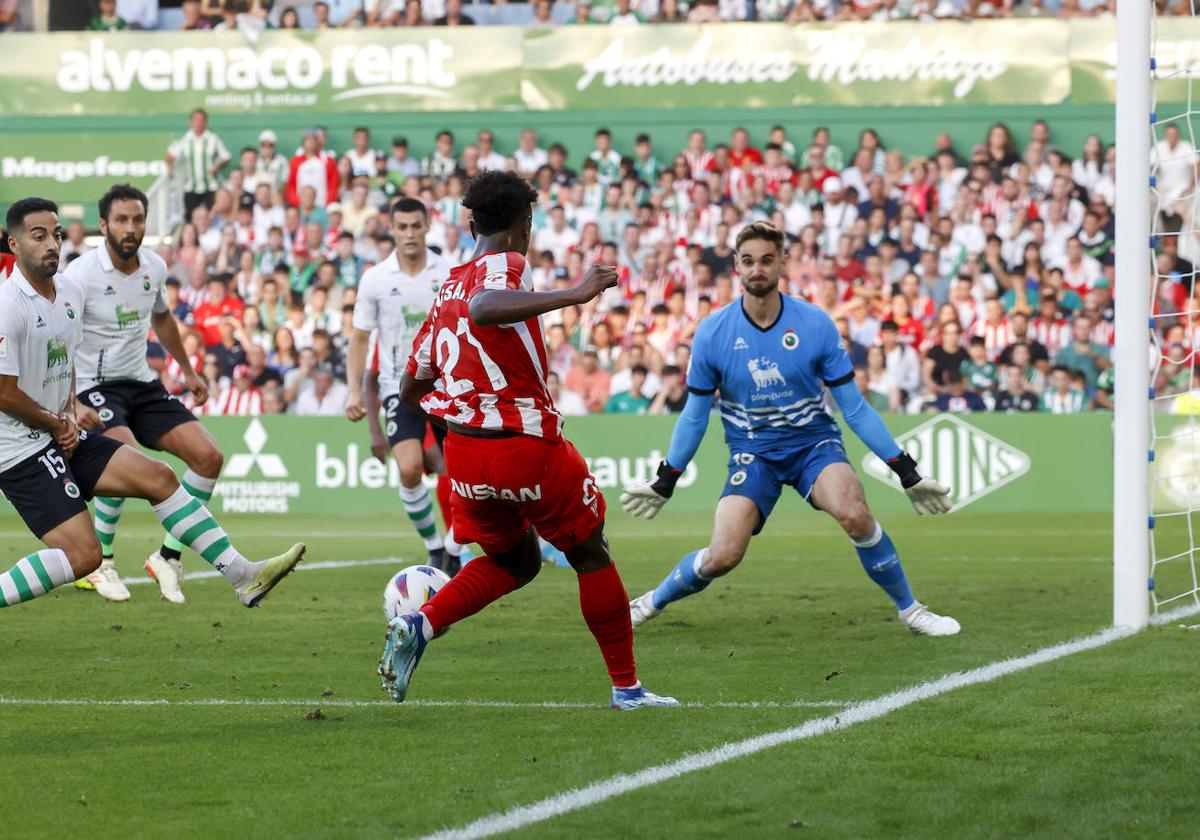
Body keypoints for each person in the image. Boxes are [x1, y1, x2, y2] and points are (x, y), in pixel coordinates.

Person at [384, 171, 678, 710]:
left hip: (466, 455)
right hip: (522, 444)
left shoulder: (448, 283)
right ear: (523, 225)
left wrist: (459, 406)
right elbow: (485, 309)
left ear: (470, 222)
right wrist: (577, 293)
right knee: (591, 554)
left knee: (514, 562)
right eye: (529, 224)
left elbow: (410, 386)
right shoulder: (505, 264)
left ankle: (421, 625)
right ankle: (627, 690)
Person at [620, 222, 959, 637]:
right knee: (723, 555)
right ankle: (651, 601)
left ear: (783, 262)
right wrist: (665, 480)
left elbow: (853, 408)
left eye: (766, 259)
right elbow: (694, 415)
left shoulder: (815, 324)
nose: (756, 269)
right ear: (736, 267)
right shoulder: (712, 332)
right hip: (753, 450)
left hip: (814, 443)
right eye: (748, 261)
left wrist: (907, 470)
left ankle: (912, 611)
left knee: (854, 512)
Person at [0, 197, 303, 610]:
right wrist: (57, 422)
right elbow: (3, 393)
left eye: (55, 234)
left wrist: (69, 410)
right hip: (19, 450)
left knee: (159, 477)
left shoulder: (68, 292)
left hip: (60, 432)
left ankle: (242, 575)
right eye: (39, 236)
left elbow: (65, 360)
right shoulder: (8, 306)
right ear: (14, 245)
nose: (52, 243)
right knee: (84, 556)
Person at [61, 184, 225, 604]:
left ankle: (167, 557)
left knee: (209, 456)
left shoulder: (153, 265)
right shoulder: (80, 275)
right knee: (128, 461)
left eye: (137, 220)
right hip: (96, 387)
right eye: (121, 220)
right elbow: (59, 337)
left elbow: (163, 318)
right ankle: (102, 564)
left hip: (142, 383)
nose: (130, 227)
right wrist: (71, 400)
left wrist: (187, 371)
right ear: (104, 225)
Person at [345, 199, 456, 571]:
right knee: (408, 468)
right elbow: (360, 339)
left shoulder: (450, 272)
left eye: (416, 226)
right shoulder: (376, 278)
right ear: (391, 229)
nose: (409, 233)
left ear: (427, 227)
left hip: (449, 387)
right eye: (402, 226)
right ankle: (435, 545)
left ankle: (456, 546)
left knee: (461, 474)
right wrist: (353, 390)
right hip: (399, 387)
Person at [166, 109, 231, 221]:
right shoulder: (185, 140)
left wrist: (217, 166)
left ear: (206, 122)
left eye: (201, 120)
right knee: (190, 220)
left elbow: (226, 157)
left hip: (210, 186)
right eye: (196, 120)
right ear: (190, 122)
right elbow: (170, 155)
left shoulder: (213, 139)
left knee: (210, 219)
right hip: (191, 187)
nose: (198, 123)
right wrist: (171, 172)